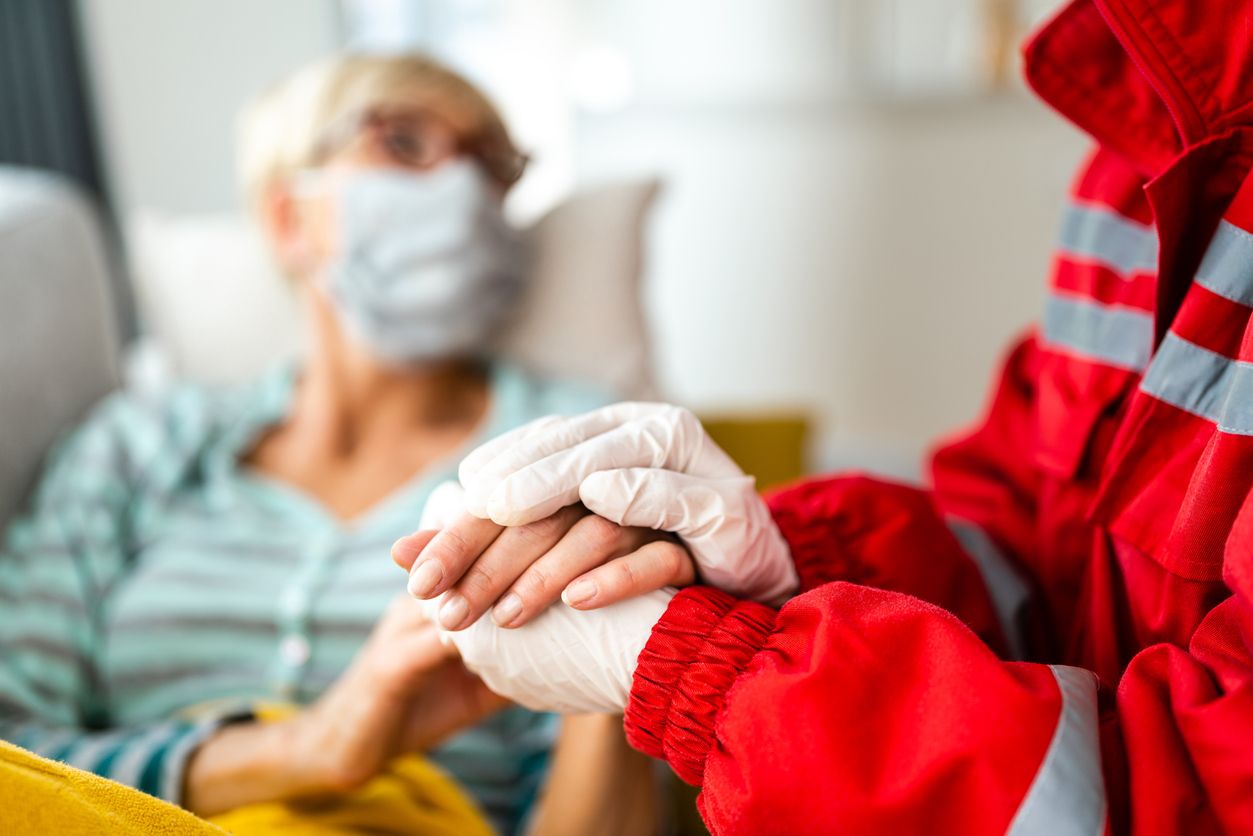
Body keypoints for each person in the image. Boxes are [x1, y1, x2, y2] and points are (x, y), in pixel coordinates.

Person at [391, 2, 1253, 832]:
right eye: (398, 140)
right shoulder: (1147, 125)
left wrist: (717, 670)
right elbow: (1039, 562)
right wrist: (784, 568)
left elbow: (1202, 795)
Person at [0, 53, 662, 834]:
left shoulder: (578, 456)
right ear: (289, 217)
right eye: (404, 144)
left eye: (492, 166)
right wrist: (309, 750)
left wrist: (622, 648)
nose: (461, 191)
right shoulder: (136, 447)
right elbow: (14, 746)